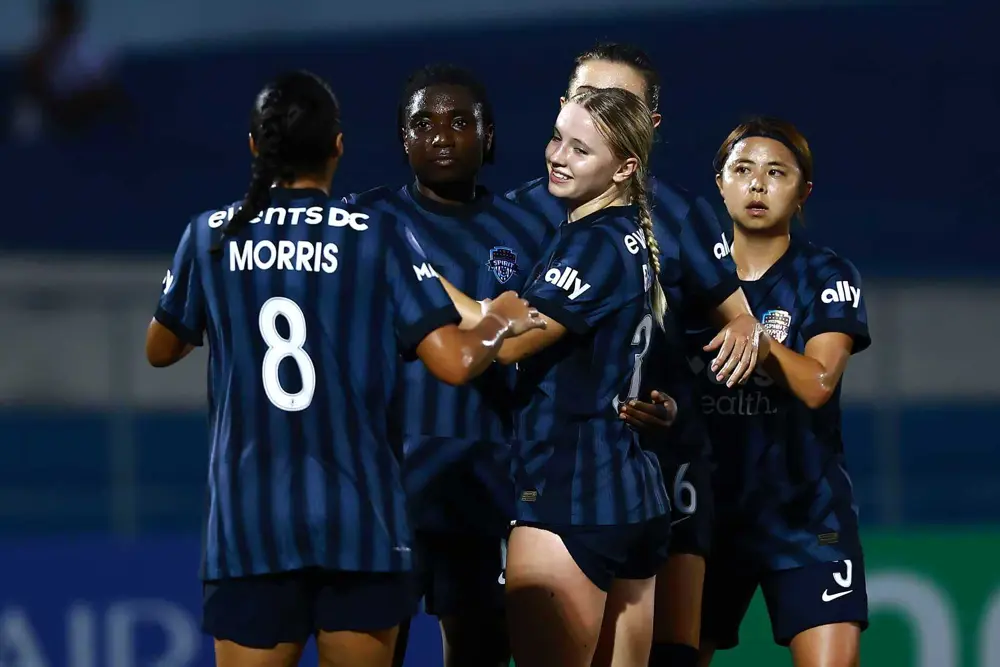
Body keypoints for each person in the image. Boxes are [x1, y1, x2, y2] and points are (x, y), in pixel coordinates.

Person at [143, 70, 544, 667]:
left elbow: (161, 348)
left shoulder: (211, 236)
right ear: (338, 145)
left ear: (255, 146)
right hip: (363, 522)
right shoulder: (377, 235)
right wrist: (495, 320)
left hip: (250, 526)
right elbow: (456, 363)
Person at [509, 42, 765, 667]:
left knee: (673, 655)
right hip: (557, 461)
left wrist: (679, 399)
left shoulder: (679, 216)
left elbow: (742, 326)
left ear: (645, 128)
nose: (590, 109)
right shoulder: (522, 208)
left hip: (658, 466)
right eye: (580, 96)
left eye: (614, 102)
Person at [442, 86, 671, 667]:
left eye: (580, 149)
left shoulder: (593, 243)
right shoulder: (630, 237)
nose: (558, 156)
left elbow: (514, 343)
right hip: (631, 497)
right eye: (556, 138)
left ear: (625, 168)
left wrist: (418, 278)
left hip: (569, 499)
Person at [343, 64, 553, 667]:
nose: (441, 134)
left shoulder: (533, 229)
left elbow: (544, 331)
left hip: (488, 478)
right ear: (402, 138)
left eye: (460, 121)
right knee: (377, 647)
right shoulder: (363, 221)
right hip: (385, 480)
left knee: (480, 647)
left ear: (488, 137)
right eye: (423, 122)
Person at [694, 117, 870, 667]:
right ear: (719, 183)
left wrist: (760, 341)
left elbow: (819, 384)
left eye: (777, 173)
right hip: (703, 515)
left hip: (806, 518)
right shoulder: (683, 280)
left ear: (803, 193)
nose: (757, 185)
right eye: (742, 170)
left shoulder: (826, 274)